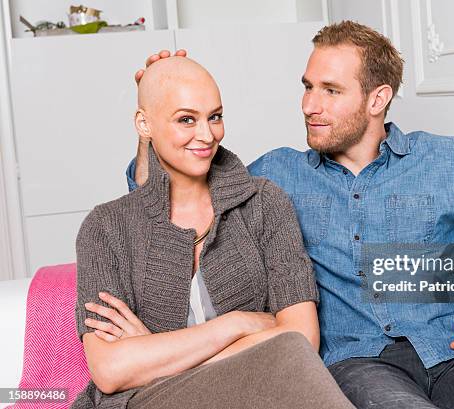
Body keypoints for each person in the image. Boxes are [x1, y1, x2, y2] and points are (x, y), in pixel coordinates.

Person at [127, 22, 454, 408]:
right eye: (307, 87)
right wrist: (157, 114)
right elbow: (164, 201)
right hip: (356, 362)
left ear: (377, 98)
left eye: (330, 90)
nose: (309, 105)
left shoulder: (450, 162)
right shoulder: (274, 175)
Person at [73, 56, 355, 409]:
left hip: (255, 388)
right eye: (186, 119)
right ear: (144, 124)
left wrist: (156, 355)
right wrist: (236, 324)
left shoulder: (265, 203)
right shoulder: (105, 227)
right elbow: (111, 369)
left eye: (215, 117)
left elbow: (300, 337)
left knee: (291, 358)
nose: (207, 135)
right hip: (147, 402)